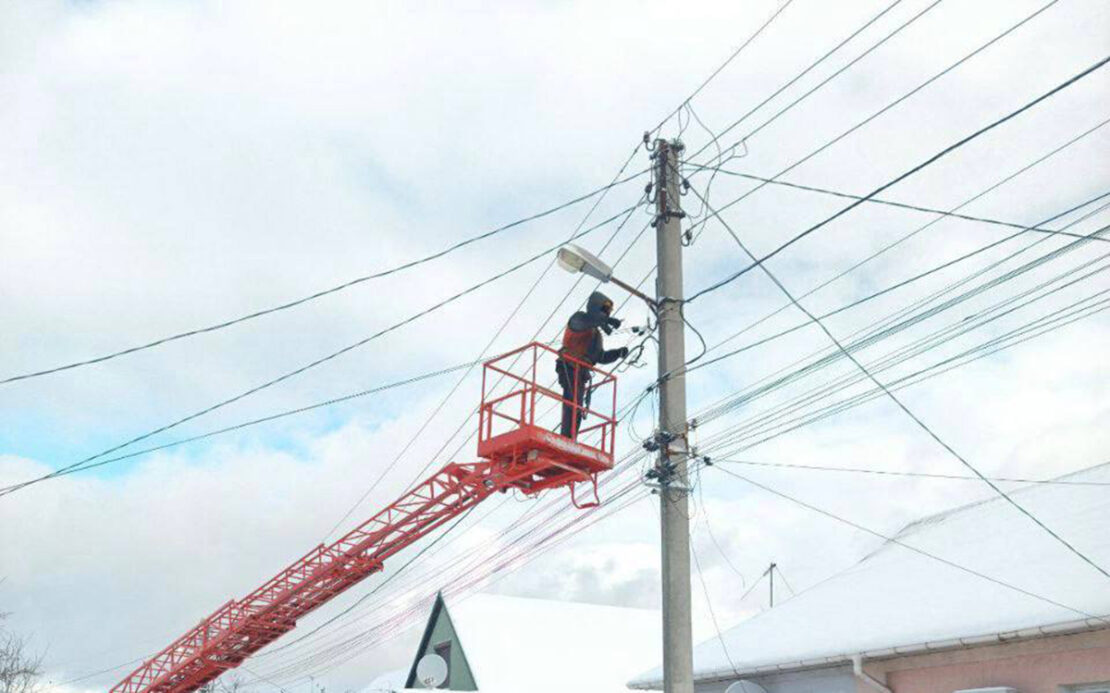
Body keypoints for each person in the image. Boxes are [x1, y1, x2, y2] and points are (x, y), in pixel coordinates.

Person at [556, 291, 628, 439]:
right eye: (604, 310)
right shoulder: (579, 319)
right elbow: (582, 323)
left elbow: (600, 357)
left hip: (581, 373)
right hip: (568, 367)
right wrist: (605, 321)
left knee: (578, 407)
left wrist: (617, 353)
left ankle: (571, 437)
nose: (606, 314)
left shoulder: (595, 333)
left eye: (607, 312)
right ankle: (566, 437)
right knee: (572, 402)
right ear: (595, 306)